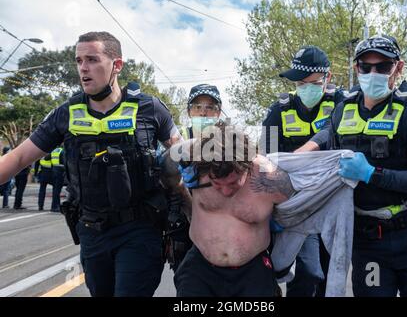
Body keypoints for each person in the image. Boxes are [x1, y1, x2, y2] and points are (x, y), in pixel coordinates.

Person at [0, 31, 182, 297]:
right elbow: (17, 158)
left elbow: (183, 155)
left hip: (140, 230)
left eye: (92, 59)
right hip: (92, 233)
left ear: (116, 65)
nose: (83, 68)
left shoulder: (150, 109)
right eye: (79, 60)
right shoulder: (65, 114)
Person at [300, 35, 407, 296]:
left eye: (383, 67)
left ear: (398, 68)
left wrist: (372, 174)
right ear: (356, 68)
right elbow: (323, 140)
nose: (373, 73)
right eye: (365, 67)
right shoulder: (341, 111)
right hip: (367, 241)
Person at [168, 122, 294, 296]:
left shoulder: (269, 176)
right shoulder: (196, 166)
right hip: (200, 267)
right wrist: (184, 195)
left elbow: (305, 203)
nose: (226, 191)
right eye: (217, 184)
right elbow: (166, 168)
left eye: (234, 183)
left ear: (248, 166)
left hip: (252, 270)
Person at [262, 46, 340, 296]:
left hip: (334, 204)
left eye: (313, 82)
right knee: (308, 273)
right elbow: (265, 156)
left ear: (327, 78)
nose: (306, 88)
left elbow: (333, 130)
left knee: (330, 276)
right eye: (300, 83)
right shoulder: (279, 111)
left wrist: (306, 149)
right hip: (296, 206)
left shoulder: (342, 103)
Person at [165, 84, 222, 272]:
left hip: (221, 226)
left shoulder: (231, 141)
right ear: (189, 112)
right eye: (198, 107)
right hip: (184, 227)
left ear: (219, 112)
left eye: (210, 107)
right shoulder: (176, 140)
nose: (203, 113)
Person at [50, 147, 65, 212]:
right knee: (57, 191)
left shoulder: (54, 151)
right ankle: (56, 206)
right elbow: (64, 162)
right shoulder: (62, 151)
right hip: (60, 171)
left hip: (54, 171)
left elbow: (47, 158)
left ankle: (54, 206)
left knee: (55, 190)